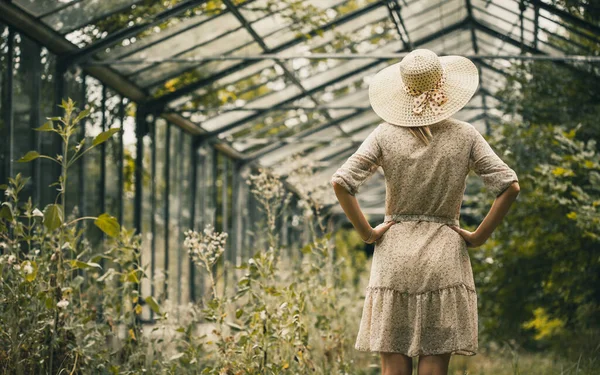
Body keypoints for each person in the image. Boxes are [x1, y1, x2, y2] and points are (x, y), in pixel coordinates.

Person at [330, 49, 520, 375]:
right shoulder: (465, 135)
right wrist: (478, 237)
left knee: (393, 366)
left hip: (394, 255)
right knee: (434, 363)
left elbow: (341, 183)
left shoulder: (384, 134)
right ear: (445, 85)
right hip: (443, 254)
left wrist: (368, 233)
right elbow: (509, 186)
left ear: (404, 92)